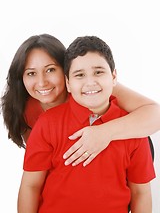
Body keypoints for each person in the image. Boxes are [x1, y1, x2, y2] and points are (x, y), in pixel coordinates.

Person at [18, 36, 155, 213]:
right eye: (80, 75)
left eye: (98, 72)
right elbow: (32, 185)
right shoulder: (45, 122)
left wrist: (104, 132)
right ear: (69, 82)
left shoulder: (134, 132)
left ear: (114, 77)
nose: (90, 82)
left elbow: (141, 193)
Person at [1, 34, 160, 167]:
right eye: (31, 73)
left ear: (67, 70)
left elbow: (155, 114)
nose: (42, 82)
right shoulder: (24, 109)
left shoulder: (89, 86)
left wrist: (105, 133)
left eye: (50, 70)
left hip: (127, 152)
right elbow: (44, 167)